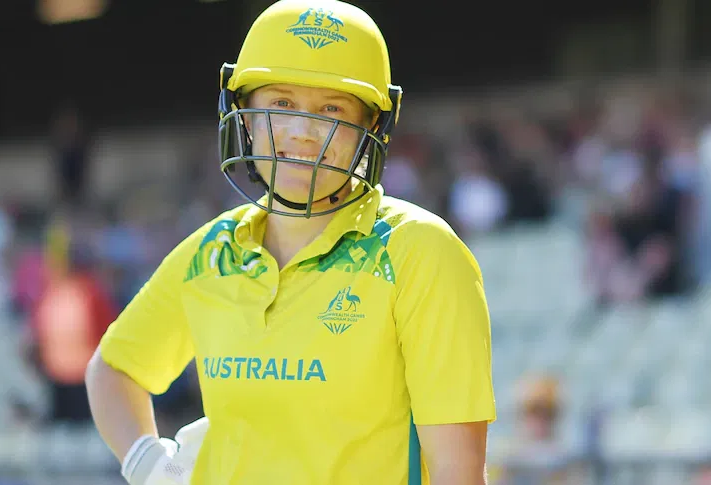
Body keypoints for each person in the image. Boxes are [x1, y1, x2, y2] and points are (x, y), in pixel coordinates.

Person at [84, 1, 497, 484]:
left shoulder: (418, 252)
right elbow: (113, 370)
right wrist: (153, 465)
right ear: (245, 117)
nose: (302, 133)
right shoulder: (212, 252)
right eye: (281, 105)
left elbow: (458, 473)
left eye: (331, 110)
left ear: (372, 126)